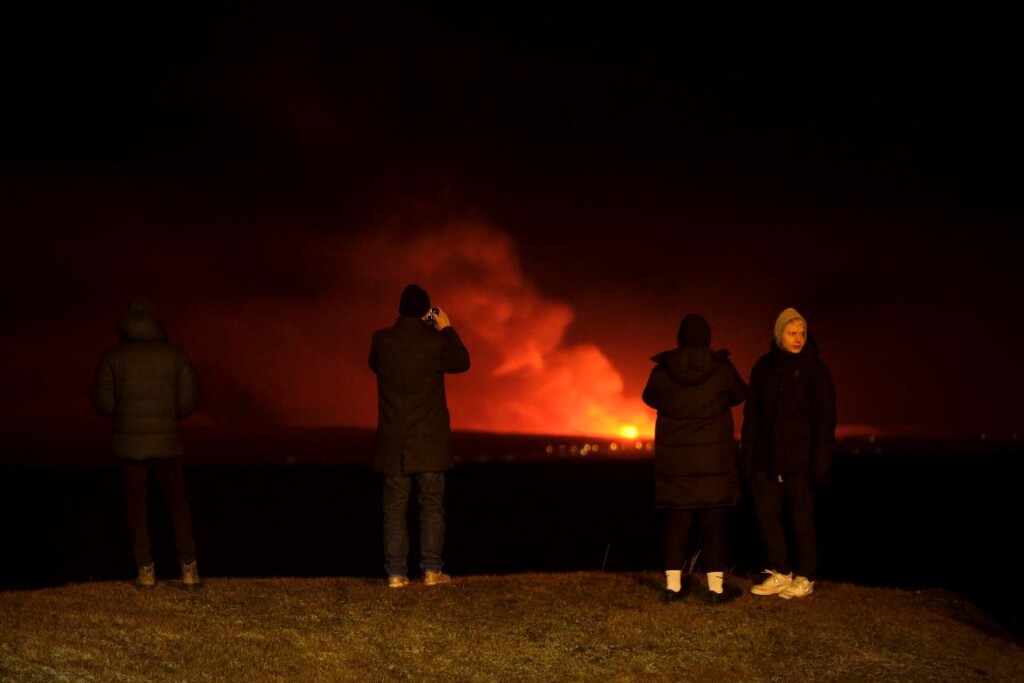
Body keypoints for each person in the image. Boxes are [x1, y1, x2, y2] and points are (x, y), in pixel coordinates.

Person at [92, 296, 202, 589]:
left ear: (127, 325)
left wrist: (127, 414)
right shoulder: (175, 355)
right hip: (168, 443)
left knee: (137, 509)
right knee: (178, 507)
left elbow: (103, 405)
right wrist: (165, 415)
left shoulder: (113, 357)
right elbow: (188, 404)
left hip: (130, 448)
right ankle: (189, 570)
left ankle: (146, 571)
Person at [642, 313, 749, 605]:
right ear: (707, 339)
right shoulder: (721, 368)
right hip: (713, 463)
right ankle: (715, 590)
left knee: (677, 523)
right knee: (714, 524)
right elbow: (740, 394)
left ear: (679, 338)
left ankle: (672, 588)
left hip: (676, 466)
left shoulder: (663, 371)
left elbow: (649, 398)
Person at [369, 284, 470, 588]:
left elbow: (374, 365)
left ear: (399, 309)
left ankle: (397, 574)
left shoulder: (382, 340)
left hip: (394, 444)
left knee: (395, 510)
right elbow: (462, 362)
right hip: (429, 443)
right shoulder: (435, 342)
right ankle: (431, 571)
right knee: (431, 507)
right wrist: (446, 329)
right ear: (428, 312)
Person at [741, 307, 836, 599]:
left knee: (801, 519)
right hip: (767, 458)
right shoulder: (763, 368)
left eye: (802, 333)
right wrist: (748, 456)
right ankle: (781, 572)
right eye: (792, 333)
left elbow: (825, 419)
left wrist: (820, 463)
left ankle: (805, 576)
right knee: (767, 514)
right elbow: (752, 415)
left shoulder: (815, 370)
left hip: (801, 459)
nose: (798, 339)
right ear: (778, 333)